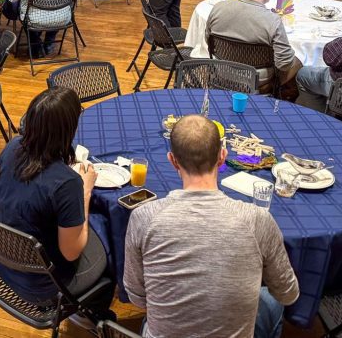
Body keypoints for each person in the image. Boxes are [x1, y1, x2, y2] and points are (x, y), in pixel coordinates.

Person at [124, 114, 299, 338]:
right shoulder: (258, 220)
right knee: (270, 302)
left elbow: (137, 299)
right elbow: (288, 294)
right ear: (222, 156)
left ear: (172, 160)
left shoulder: (143, 217)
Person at [0, 87, 114, 323]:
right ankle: (89, 314)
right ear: (69, 127)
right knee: (109, 238)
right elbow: (71, 252)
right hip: (42, 287)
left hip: (4, 262)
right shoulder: (66, 183)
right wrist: (85, 190)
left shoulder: (11, 148)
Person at [205, 0, 301, 91]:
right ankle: (268, 90)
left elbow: (208, 41)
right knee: (299, 60)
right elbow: (284, 64)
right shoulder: (272, 20)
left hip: (221, 70)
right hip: (256, 77)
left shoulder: (218, 8)